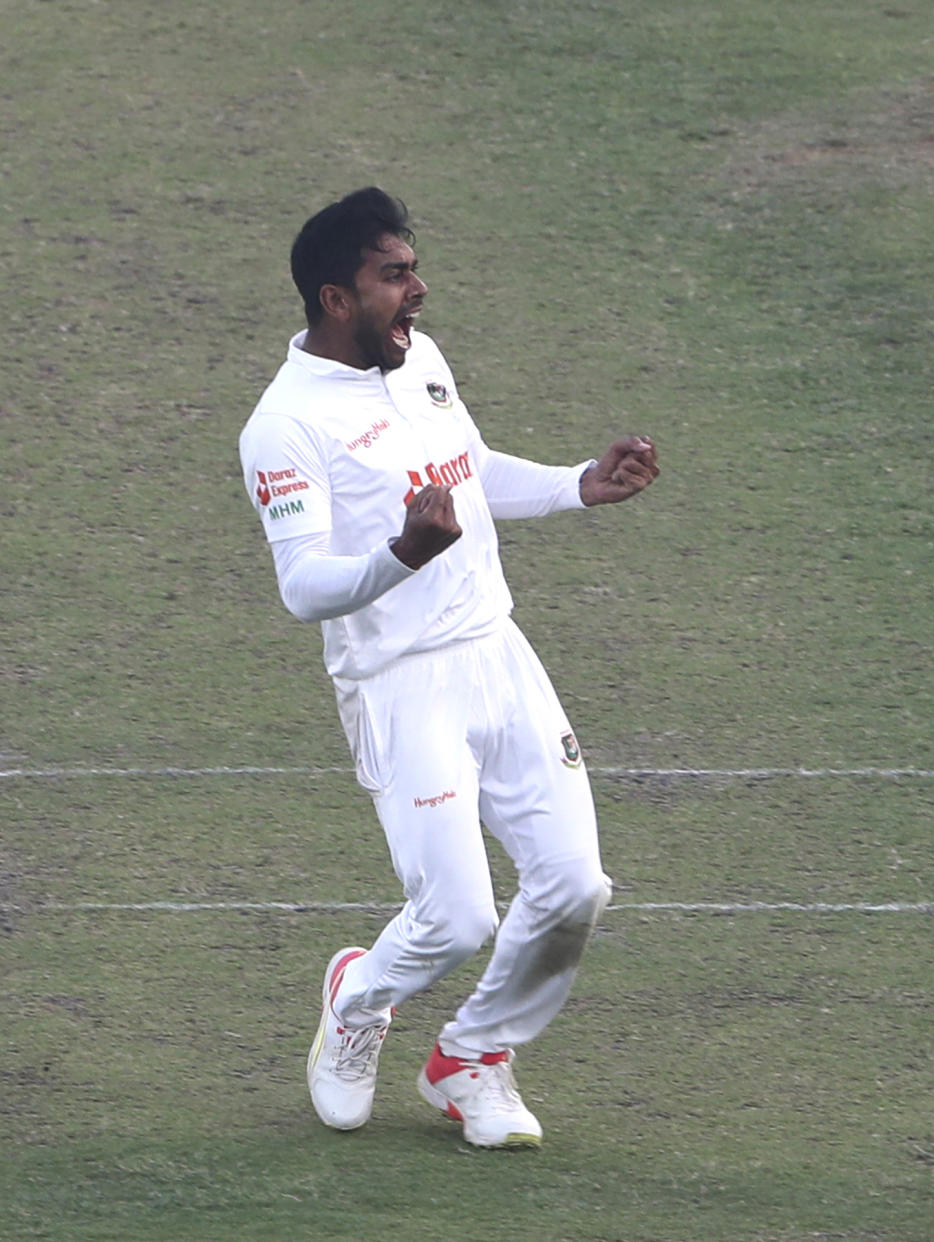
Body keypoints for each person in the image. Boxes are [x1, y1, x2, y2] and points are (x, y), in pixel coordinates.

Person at [239, 187, 659, 1149]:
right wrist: (402, 557)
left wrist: (575, 488)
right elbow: (305, 588)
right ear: (337, 297)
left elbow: (468, 468)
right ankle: (356, 1001)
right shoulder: (284, 427)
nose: (418, 289)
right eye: (396, 275)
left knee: (575, 885)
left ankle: (473, 1057)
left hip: (497, 653)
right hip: (398, 685)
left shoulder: (417, 357)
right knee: (457, 917)